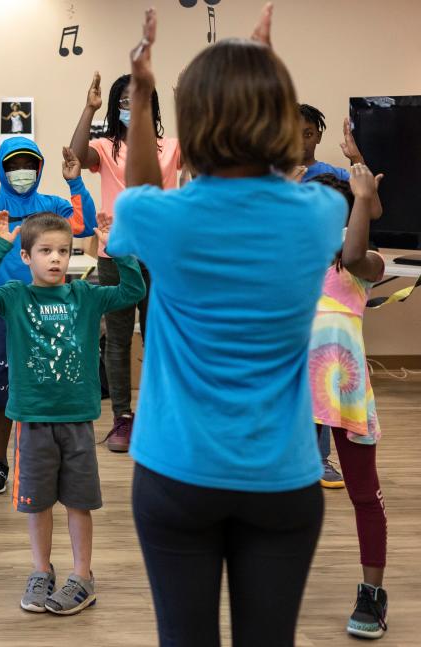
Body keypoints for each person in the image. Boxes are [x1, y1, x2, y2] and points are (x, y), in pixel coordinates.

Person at [107, 7, 348, 645]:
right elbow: (288, 183)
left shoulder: (162, 221)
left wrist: (140, 93)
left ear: (191, 125)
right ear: (280, 117)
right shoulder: (322, 214)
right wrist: (265, 73)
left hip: (176, 474)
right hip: (282, 477)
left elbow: (135, 196)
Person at [0, 210, 144, 615]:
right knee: (38, 503)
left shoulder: (86, 295)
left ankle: (83, 576)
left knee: (79, 503)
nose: (55, 259)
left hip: (77, 420)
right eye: (45, 251)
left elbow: (131, 292)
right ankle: (41, 570)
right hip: (31, 419)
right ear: (27, 256)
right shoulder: (14, 297)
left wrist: (118, 251)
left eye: (63, 251)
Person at [0, 137, 97, 495]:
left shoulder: (52, 205)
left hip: (49, 310)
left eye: (28, 164)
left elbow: (83, 226)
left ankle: (43, 461)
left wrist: (75, 181)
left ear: (39, 168)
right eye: (13, 165)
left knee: (47, 382)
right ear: (4, 169)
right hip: (2, 309)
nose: (20, 172)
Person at [69, 71, 181, 452]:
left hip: (162, 255)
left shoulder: (170, 147)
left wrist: (185, 100)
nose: (133, 107)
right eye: (125, 101)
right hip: (115, 253)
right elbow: (75, 154)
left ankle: (160, 415)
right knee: (116, 339)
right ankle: (123, 418)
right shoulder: (105, 147)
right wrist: (90, 107)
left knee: (161, 338)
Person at [308, 169, 389, 639]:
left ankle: (372, 594)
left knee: (363, 493)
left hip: (346, 392)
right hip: (295, 393)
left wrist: (363, 197)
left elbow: (355, 251)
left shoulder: (365, 263)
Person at [297, 103, 367, 487]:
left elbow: (369, 208)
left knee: (321, 377)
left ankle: (320, 459)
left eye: (308, 132)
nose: (301, 140)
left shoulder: (334, 176)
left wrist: (358, 160)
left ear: (318, 135)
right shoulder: (273, 175)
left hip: (326, 293)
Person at [299, 103, 365, 182]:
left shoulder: (336, 175)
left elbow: (367, 192)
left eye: (308, 134)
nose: (301, 141)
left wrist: (356, 158)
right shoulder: (280, 176)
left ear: (318, 137)